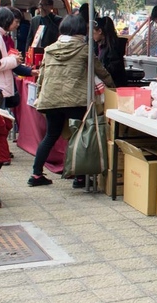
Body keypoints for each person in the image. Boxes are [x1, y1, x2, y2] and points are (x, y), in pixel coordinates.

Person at [30, 13, 114, 187]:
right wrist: (113, 88)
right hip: (76, 100)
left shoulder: (49, 49)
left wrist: (39, 96)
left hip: (51, 99)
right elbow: (101, 72)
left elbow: (42, 76)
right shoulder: (84, 49)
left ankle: (36, 175)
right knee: (78, 136)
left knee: (51, 135)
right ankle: (79, 177)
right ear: (81, 30)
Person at [94, 16, 128, 87]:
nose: (91, 35)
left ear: (100, 31)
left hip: (113, 86)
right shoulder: (98, 46)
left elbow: (113, 69)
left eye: (93, 31)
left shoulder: (113, 47)